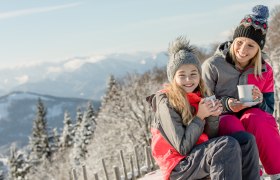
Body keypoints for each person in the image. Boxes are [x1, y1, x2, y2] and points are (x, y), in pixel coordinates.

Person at [146, 36, 260, 180]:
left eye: (193, 74)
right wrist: (200, 117)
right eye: (182, 75)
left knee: (246, 139)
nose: (188, 80)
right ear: (173, 78)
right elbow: (183, 147)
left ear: (199, 76)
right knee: (226, 145)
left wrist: (212, 116)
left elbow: (209, 138)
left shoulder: (200, 95)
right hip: (177, 165)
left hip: (196, 155)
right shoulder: (166, 102)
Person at [202, 4, 280, 180]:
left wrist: (260, 101)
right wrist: (227, 105)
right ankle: (252, 175)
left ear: (258, 49)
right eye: (239, 42)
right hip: (220, 120)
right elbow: (202, 104)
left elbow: (269, 112)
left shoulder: (264, 70)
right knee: (231, 122)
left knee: (256, 118)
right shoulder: (213, 66)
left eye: (251, 45)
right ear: (233, 40)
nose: (243, 50)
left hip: (251, 119)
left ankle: (277, 173)